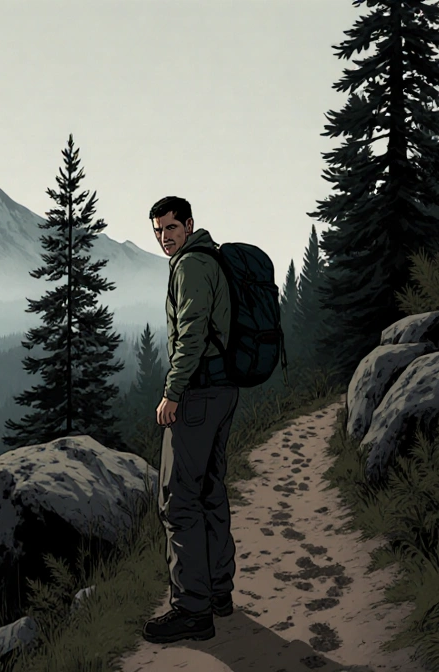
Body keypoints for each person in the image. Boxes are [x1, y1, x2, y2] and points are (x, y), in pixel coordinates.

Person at [142, 195, 240, 644]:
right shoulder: (210, 258)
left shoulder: (189, 266)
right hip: (223, 389)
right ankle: (220, 593)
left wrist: (171, 393)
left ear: (189, 225)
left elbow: (193, 331)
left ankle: (192, 610)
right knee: (209, 492)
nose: (165, 238)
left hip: (197, 395)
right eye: (159, 231)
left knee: (177, 501)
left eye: (171, 229)